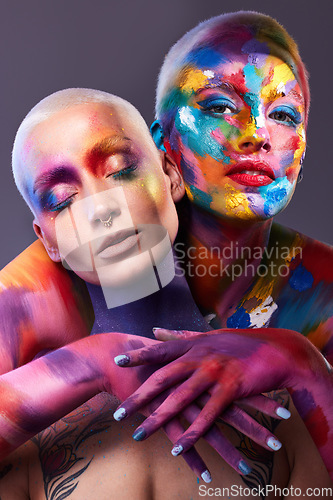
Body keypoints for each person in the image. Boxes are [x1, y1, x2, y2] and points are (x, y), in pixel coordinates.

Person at [0, 10, 332, 477]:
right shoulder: (31, 297)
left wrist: (304, 365)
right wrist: (93, 362)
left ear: (167, 172)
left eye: (282, 114)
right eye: (62, 199)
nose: (256, 135)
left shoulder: (318, 292)